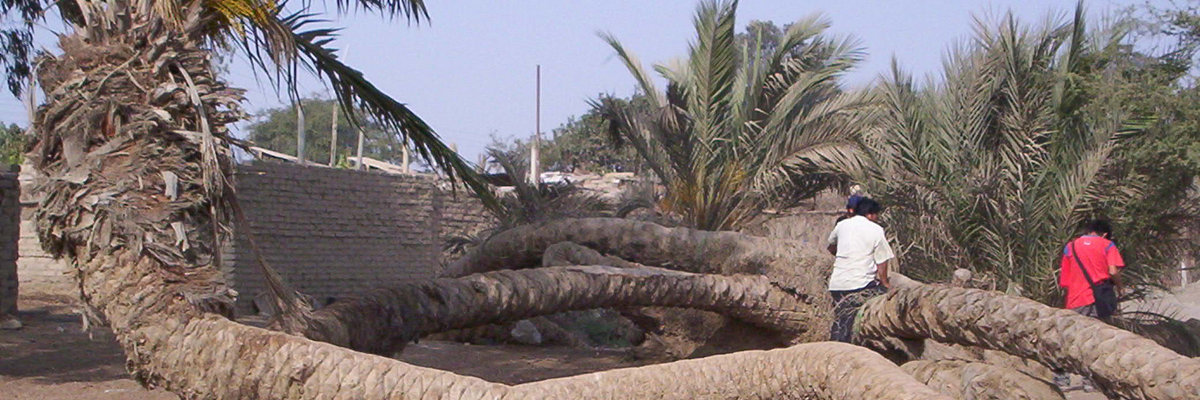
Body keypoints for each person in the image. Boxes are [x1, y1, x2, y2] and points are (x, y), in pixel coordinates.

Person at [1053, 218, 1125, 391]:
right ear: (1105, 234)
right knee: (1096, 338)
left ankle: (1061, 377)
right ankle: (1089, 380)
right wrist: (1120, 287)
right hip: (1098, 300)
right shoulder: (1107, 245)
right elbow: (1113, 270)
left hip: (1075, 299)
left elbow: (1065, 280)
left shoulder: (1070, 246)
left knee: (1070, 337)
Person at [826, 197, 894, 343]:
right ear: (870, 214)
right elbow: (882, 260)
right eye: (876, 215)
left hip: (837, 285)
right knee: (850, 320)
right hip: (859, 285)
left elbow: (831, 246)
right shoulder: (876, 229)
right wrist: (885, 284)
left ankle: (836, 344)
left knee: (842, 317)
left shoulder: (842, 225)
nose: (876, 219)